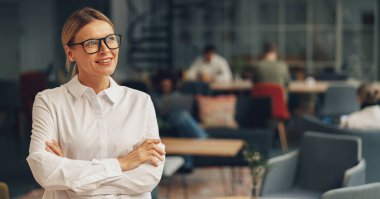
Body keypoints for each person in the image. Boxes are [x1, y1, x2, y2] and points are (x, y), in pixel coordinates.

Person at [26, 7, 165, 199]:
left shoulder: (141, 102)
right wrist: (123, 163)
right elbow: (43, 169)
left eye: (110, 39)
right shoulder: (49, 101)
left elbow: (149, 176)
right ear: (70, 53)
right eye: (91, 43)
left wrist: (69, 174)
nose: (105, 50)